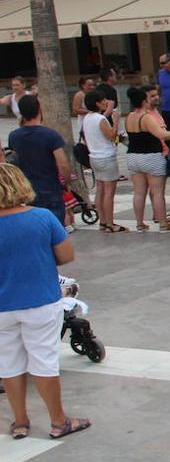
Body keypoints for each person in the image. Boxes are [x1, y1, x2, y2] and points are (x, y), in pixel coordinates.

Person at [0, 163, 89, 440]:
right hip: (40, 300)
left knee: (9, 363)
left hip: (2, 306)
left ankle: (20, 421)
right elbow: (66, 256)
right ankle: (58, 421)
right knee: (44, 361)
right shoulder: (42, 217)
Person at [123, 86, 170, 232]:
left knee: (139, 192)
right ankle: (163, 223)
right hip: (151, 156)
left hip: (133, 156)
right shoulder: (146, 118)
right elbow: (161, 134)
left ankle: (139, 223)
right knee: (157, 192)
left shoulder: (129, 117)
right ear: (144, 101)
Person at [8, 96, 72, 227]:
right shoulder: (51, 135)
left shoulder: (14, 136)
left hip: (27, 190)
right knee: (54, 229)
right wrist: (66, 183)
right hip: (50, 188)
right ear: (39, 109)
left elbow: (15, 161)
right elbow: (63, 164)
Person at [81, 91, 122, 233]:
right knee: (109, 193)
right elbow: (111, 136)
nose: (106, 102)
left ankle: (103, 222)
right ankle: (110, 223)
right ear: (97, 103)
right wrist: (115, 121)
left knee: (100, 190)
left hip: (94, 157)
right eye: (103, 100)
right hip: (106, 157)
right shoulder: (100, 119)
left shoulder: (87, 118)